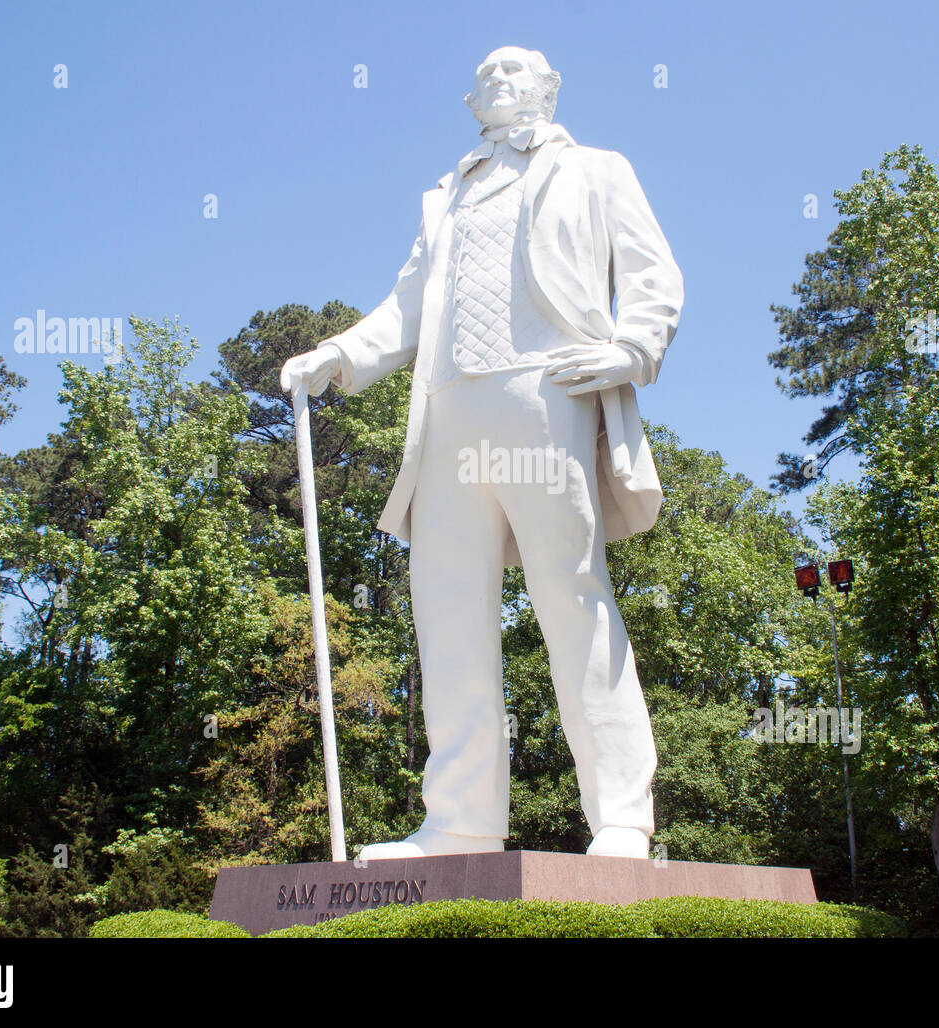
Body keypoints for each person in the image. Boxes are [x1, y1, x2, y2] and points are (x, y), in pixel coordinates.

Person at [281, 46, 683, 859]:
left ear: (549, 87)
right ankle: (460, 821)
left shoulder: (598, 170)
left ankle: (620, 819)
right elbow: (405, 309)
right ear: (471, 102)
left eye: (517, 70)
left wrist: (635, 346)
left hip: (547, 392)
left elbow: (652, 272)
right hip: (449, 408)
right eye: (488, 75)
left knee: (570, 594)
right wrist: (338, 355)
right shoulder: (447, 196)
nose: (502, 80)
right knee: (446, 606)